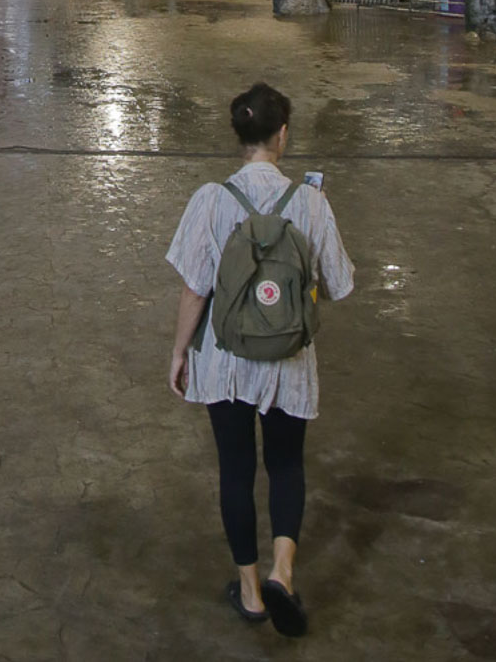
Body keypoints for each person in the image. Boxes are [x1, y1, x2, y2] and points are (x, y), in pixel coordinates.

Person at [166, 82, 354, 637]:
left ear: (238, 137)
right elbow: (339, 285)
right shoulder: (311, 202)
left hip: (224, 361)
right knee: (287, 464)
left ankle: (249, 592)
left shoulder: (211, 200)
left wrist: (179, 351)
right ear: (283, 135)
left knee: (236, 469)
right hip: (289, 363)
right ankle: (283, 572)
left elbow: (195, 290)